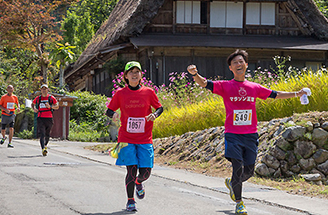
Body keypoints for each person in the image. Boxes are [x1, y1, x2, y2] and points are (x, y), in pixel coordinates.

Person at [187, 50, 311, 215]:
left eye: (241, 62)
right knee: (237, 167)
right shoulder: (225, 86)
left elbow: (275, 94)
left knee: (249, 171)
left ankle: (232, 184)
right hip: (232, 134)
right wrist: (195, 74)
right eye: (235, 63)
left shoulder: (254, 87)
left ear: (246, 65)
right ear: (230, 68)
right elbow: (204, 83)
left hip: (251, 135)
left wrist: (297, 94)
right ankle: (239, 203)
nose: (239, 65)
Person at [106, 61, 163, 212]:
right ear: (125, 76)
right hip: (126, 138)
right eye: (131, 72)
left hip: (145, 138)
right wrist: (114, 114)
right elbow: (109, 110)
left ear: (140, 75)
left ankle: (139, 182)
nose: (134, 74)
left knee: (146, 172)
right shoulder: (120, 93)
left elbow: (160, 108)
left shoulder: (149, 92)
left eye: (137, 71)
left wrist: (155, 114)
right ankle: (130, 201)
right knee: (131, 170)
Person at [31, 84, 59, 156]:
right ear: (41, 90)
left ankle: (45, 145)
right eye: (42, 89)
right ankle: (43, 148)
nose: (44, 90)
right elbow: (32, 104)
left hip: (49, 118)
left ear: (48, 90)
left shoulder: (51, 98)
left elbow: (57, 106)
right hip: (40, 117)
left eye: (45, 89)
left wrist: (50, 106)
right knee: (42, 133)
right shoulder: (38, 98)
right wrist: (34, 109)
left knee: (47, 133)